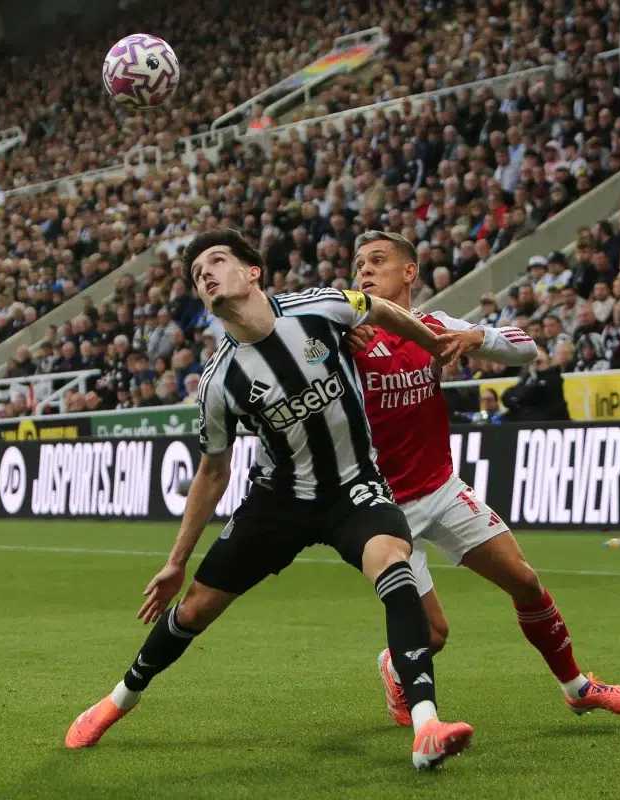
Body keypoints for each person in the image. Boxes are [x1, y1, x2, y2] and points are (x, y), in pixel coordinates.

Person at [64, 230, 476, 770]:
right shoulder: (218, 381)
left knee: (393, 565)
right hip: (277, 503)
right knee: (192, 610)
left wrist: (429, 342)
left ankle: (426, 726)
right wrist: (174, 561)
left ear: (253, 271)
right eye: (197, 274)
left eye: (217, 261)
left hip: (353, 488)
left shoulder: (322, 306)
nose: (206, 274)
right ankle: (120, 699)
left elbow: (380, 309)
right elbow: (213, 471)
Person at [346, 231, 620, 727]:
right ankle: (394, 666)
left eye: (378, 261)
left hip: (440, 488)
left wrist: (476, 337)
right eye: (359, 265)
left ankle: (577, 687)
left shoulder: (434, 326)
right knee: (434, 634)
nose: (365, 272)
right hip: (384, 510)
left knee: (525, 581)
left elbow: (527, 349)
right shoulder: (343, 335)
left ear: (410, 272)